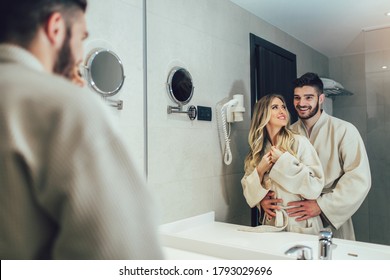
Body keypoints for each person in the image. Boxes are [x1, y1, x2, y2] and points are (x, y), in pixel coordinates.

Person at [0, 0, 163, 259]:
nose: (79, 55)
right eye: (81, 37)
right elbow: (128, 259)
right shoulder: (63, 108)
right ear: (55, 28)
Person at [285, 72, 371, 240]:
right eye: (297, 98)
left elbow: (359, 179)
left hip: (329, 215)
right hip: (296, 214)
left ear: (321, 99)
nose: (301, 103)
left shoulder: (344, 130)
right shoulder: (288, 133)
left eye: (308, 97)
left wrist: (321, 205)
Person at [241, 94, 325, 234]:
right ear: (263, 115)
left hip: (301, 223)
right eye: (275, 107)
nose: (282, 111)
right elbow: (249, 194)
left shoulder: (299, 142)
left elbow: (315, 187)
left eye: (283, 107)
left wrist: (283, 162)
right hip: (273, 223)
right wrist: (260, 199)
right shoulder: (258, 153)